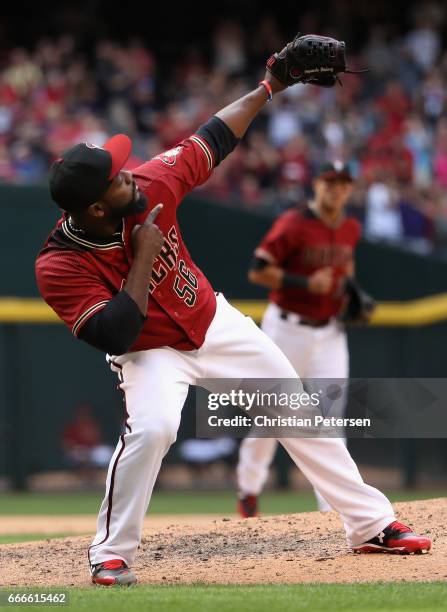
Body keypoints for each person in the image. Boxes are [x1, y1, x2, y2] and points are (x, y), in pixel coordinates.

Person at [35, 35, 431, 587]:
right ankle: (110, 552)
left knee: (296, 407)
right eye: (118, 177)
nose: (131, 173)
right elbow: (117, 334)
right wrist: (143, 261)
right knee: (152, 428)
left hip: (210, 320)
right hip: (147, 351)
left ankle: (371, 523)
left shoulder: (150, 184)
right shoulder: (59, 266)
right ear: (96, 207)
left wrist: (271, 84)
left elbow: (212, 138)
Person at [236, 161, 360, 516]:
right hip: (286, 328)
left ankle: (332, 507)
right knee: (272, 417)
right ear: (316, 186)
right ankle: (249, 489)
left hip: (330, 331)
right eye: (330, 182)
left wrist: (349, 294)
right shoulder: (294, 223)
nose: (336, 190)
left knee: (331, 419)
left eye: (343, 184)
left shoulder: (350, 227)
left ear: (350, 190)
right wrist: (304, 283)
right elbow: (257, 271)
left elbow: (347, 268)